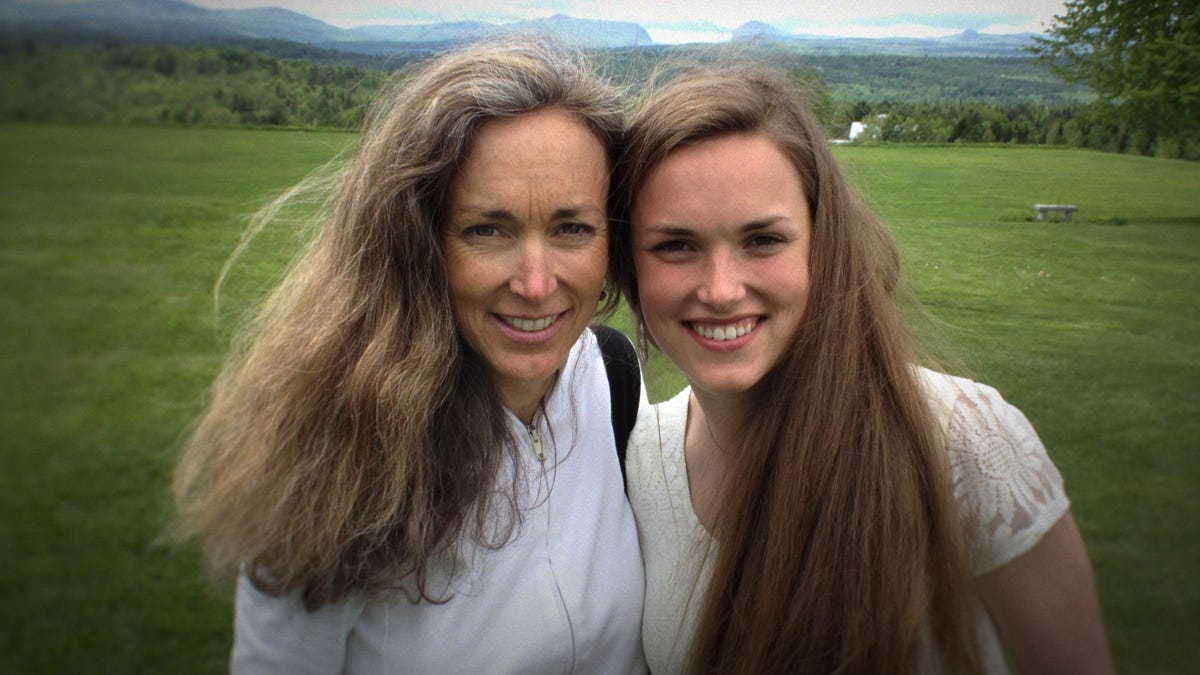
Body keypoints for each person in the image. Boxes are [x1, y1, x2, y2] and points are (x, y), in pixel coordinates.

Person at [611, 65, 1114, 674]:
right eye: (676, 245)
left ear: (823, 244)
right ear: (630, 265)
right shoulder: (640, 460)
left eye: (764, 240)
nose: (720, 290)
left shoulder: (964, 442)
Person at [172, 38, 646, 673]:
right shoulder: (332, 448)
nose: (536, 283)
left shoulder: (614, 378)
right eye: (486, 229)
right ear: (415, 243)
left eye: (571, 229)